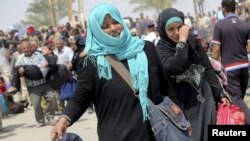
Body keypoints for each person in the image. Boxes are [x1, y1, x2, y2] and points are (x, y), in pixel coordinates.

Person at [51, 3, 175, 141]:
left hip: (157, 133)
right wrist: (64, 119)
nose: (113, 28)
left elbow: (166, 88)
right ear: (96, 30)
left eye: (116, 22)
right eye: (105, 26)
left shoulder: (146, 49)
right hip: (118, 136)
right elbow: (81, 97)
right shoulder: (91, 63)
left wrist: (180, 118)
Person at [155, 8, 230, 141]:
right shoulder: (161, 49)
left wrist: (220, 93)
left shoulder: (192, 40)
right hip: (184, 107)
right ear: (163, 31)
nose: (177, 33)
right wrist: (182, 42)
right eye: (171, 29)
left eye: (179, 27)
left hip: (205, 101)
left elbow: (207, 68)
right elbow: (176, 66)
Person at [212, 0, 250, 124]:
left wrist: (212, 66)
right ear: (235, 8)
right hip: (244, 67)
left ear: (223, 9)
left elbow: (216, 50)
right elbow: (249, 48)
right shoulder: (244, 24)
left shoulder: (220, 25)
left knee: (237, 100)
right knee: (239, 100)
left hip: (230, 69)